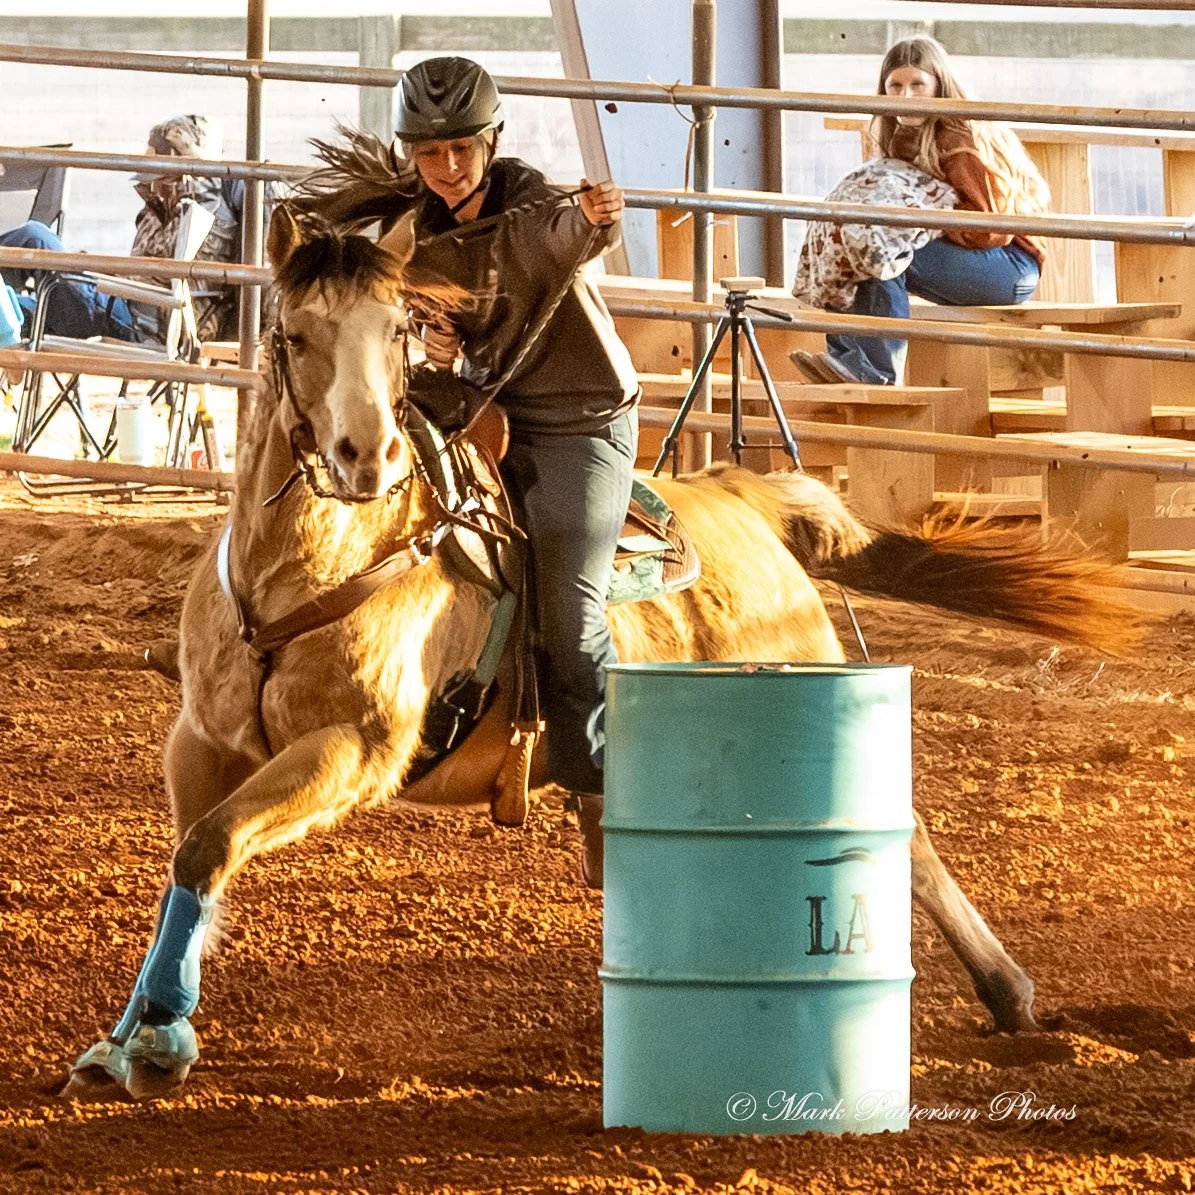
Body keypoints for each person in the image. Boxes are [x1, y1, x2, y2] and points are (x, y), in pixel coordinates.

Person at [299, 57, 640, 887]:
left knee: (571, 607)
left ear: (491, 144)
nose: (448, 167)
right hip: (479, 404)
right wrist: (441, 354)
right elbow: (412, 342)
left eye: (462, 148)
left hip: (577, 419)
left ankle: (598, 791)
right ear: (409, 154)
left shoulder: (533, 202)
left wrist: (598, 219)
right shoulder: (410, 233)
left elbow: (567, 232)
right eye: (430, 152)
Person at [791, 36, 1050, 386]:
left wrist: (922, 224)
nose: (906, 96)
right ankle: (847, 359)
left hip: (1010, 264)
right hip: (970, 255)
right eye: (895, 86)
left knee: (883, 250)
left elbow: (990, 229)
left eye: (918, 85)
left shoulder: (960, 137)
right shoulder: (902, 133)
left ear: (939, 86)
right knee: (861, 240)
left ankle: (876, 372)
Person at [0, 115, 254, 346]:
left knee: (36, 237)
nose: (147, 169)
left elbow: (161, 276)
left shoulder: (202, 209)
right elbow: (144, 269)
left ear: (176, 160)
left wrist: (87, 267)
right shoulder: (165, 208)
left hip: (137, 321)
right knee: (10, 310)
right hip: (120, 304)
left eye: (155, 158)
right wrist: (88, 265)